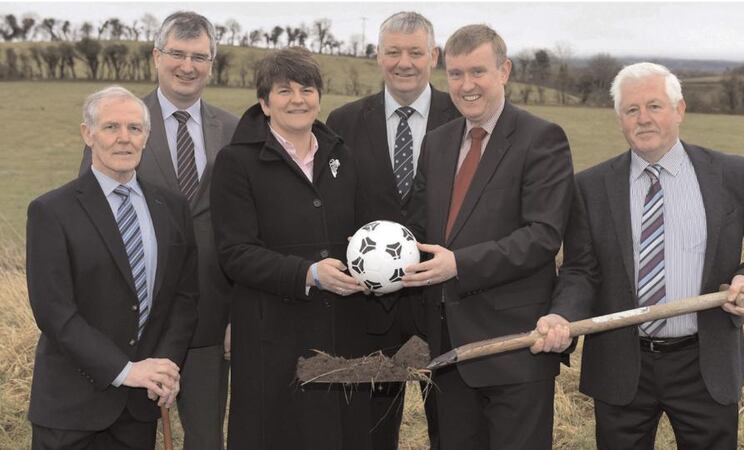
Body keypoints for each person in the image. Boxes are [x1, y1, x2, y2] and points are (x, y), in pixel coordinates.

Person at [535, 62, 744, 449]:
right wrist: (562, 315)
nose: (643, 119)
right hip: (621, 363)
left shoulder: (731, 174)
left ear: (680, 110)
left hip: (704, 362)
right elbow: (580, 271)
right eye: (631, 110)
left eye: (655, 106)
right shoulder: (589, 187)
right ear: (620, 119)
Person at [402, 24, 575, 450]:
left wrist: (459, 264)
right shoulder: (437, 143)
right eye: (456, 74)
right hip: (446, 350)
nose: (466, 85)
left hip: (515, 347)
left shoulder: (542, 138)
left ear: (505, 71)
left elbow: (542, 237)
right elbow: (422, 228)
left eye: (478, 72)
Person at [77, 12, 238, 449]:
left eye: (199, 56)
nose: (188, 66)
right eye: (177, 54)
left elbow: (244, 229)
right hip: (135, 325)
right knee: (130, 435)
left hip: (209, 320)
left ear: (211, 63)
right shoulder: (121, 121)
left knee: (206, 436)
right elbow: (93, 221)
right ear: (156, 57)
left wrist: (236, 314)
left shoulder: (235, 130)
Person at [210, 47, 373, 450]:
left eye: (307, 89)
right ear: (264, 103)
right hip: (272, 337)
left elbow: (361, 232)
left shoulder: (342, 158)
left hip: (340, 334)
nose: (297, 99)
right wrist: (308, 274)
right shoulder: (236, 162)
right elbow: (235, 253)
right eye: (284, 91)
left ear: (320, 97)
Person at [27, 86, 198, 450]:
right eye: (111, 127)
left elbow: (184, 298)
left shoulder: (171, 207)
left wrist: (163, 367)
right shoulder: (51, 211)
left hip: (137, 411)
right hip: (70, 413)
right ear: (87, 134)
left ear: (146, 137)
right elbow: (55, 312)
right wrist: (126, 371)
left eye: (135, 128)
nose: (124, 138)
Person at [326, 11, 459, 449]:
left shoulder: (461, 116)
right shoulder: (343, 122)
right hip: (368, 309)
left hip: (443, 305)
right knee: (369, 432)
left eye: (416, 52)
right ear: (378, 55)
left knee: (453, 428)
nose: (405, 62)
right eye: (393, 51)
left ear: (433, 56)